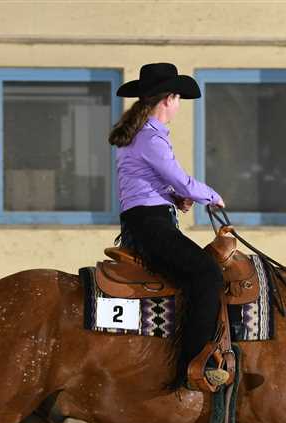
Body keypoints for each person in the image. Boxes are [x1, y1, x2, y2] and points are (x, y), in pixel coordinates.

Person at [108, 62, 228, 392]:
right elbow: (181, 179)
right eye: (178, 99)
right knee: (208, 274)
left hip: (144, 221)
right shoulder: (151, 138)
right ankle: (194, 364)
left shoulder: (140, 134)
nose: (178, 106)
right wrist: (212, 196)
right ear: (169, 98)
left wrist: (174, 199)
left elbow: (144, 182)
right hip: (152, 225)